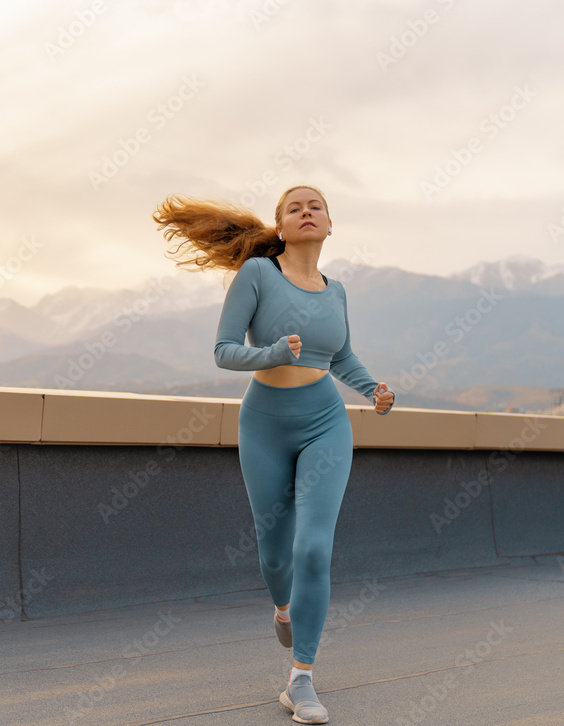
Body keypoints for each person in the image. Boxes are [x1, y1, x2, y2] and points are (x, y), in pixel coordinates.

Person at [154, 185, 393, 724]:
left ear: (330, 225)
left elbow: (341, 357)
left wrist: (373, 388)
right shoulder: (258, 275)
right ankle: (283, 608)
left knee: (313, 548)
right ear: (281, 228)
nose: (307, 211)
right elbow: (223, 350)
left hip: (325, 422)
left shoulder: (338, 292)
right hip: (264, 423)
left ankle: (301, 680)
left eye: (316, 206)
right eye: (294, 207)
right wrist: (272, 352)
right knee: (276, 555)